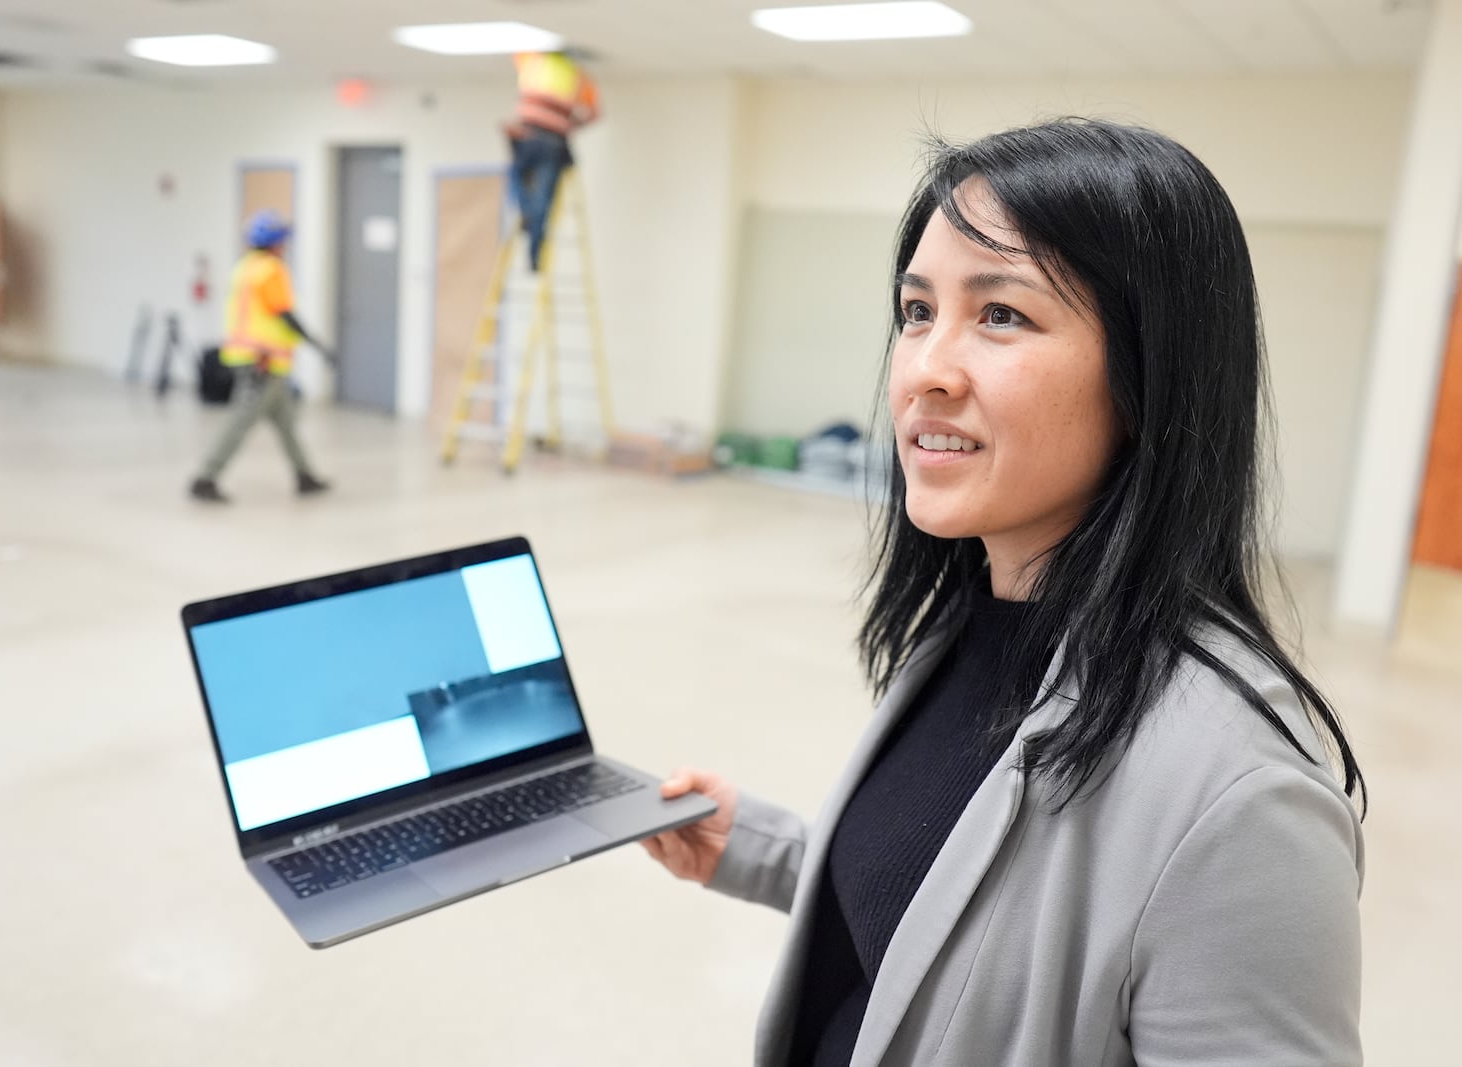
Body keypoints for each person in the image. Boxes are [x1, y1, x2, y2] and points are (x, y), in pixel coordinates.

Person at [642, 119, 1366, 1065]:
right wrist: (769, 848)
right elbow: (979, 913)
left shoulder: (1244, 796)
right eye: (915, 311)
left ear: (1152, 371)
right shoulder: (975, 623)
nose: (925, 370)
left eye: (1001, 315)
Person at [190, 210, 334, 503]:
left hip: (258, 361)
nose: (286, 247)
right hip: (262, 363)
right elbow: (284, 313)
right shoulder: (271, 269)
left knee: (286, 424)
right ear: (275, 243)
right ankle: (205, 478)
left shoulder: (245, 267)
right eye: (283, 241)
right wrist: (316, 344)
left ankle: (304, 476)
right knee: (240, 421)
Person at [504, 49, 599, 272]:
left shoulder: (531, 61)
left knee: (516, 176)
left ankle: (526, 211)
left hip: (527, 136)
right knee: (544, 197)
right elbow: (594, 112)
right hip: (553, 141)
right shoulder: (577, 75)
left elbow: (516, 55)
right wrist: (568, 124)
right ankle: (535, 251)